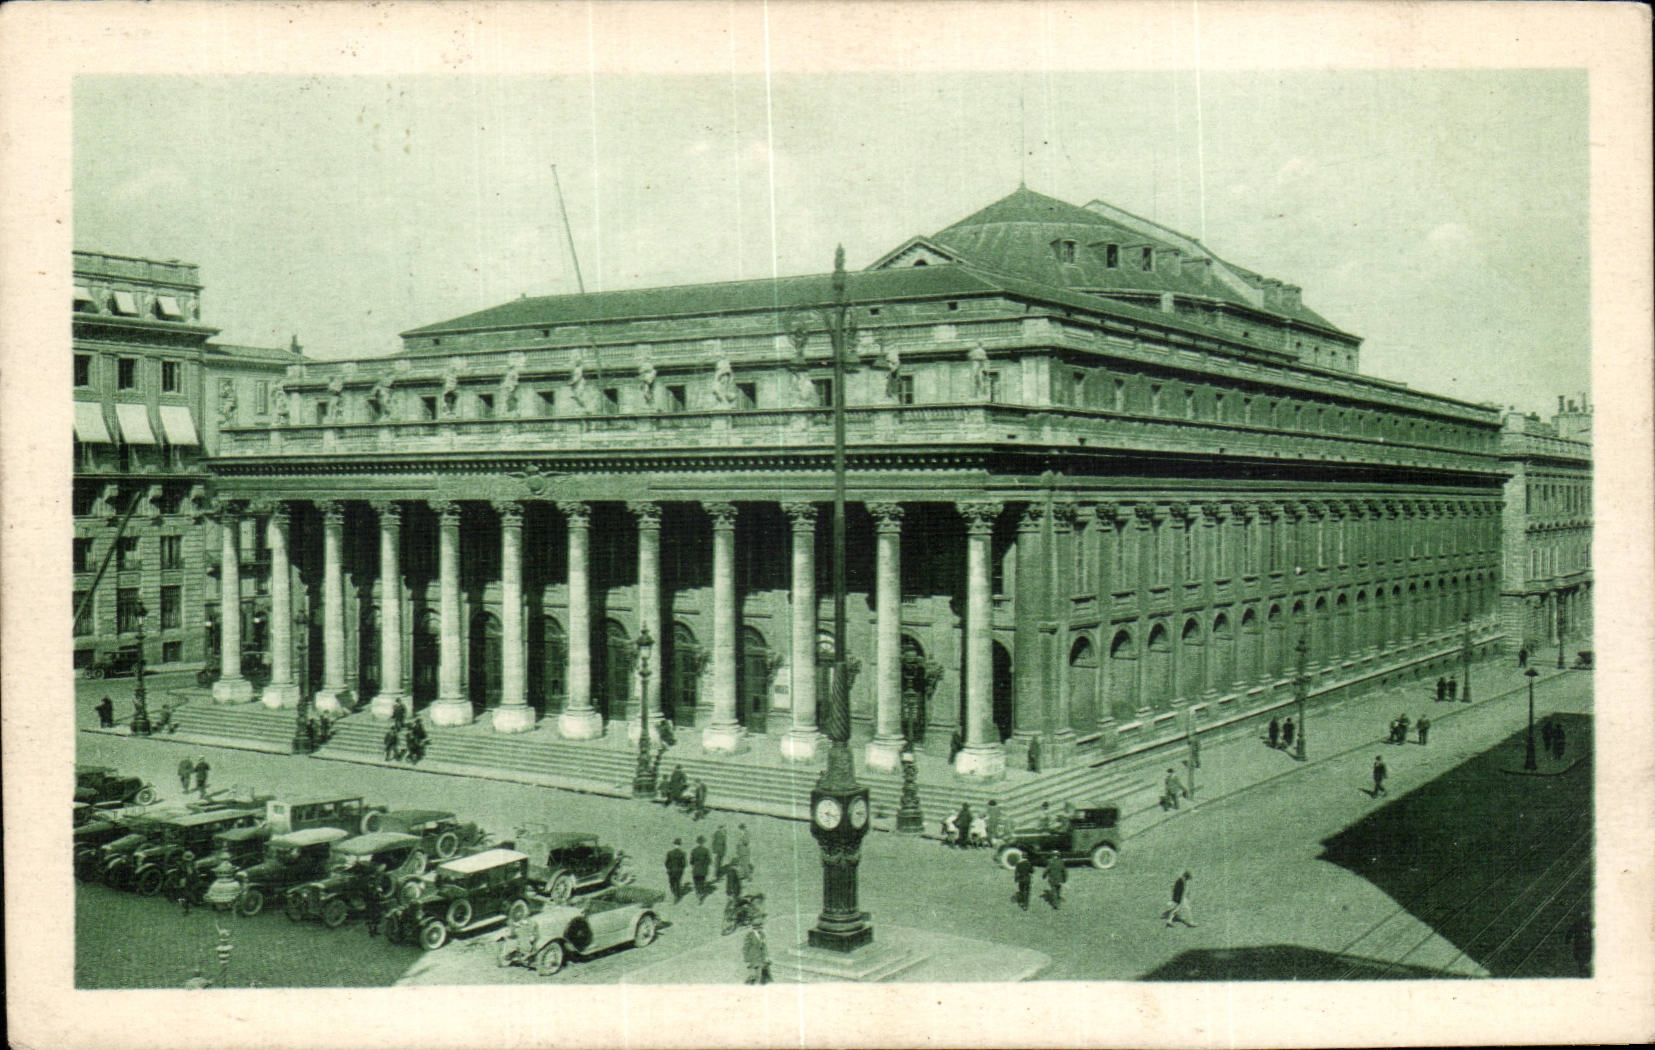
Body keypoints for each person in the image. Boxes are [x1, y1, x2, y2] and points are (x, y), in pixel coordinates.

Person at [742, 919, 773, 985]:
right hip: (754, 958)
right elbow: (745, 948)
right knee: (756, 974)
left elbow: (764, 946)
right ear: (755, 928)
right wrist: (747, 959)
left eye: (761, 928)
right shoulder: (750, 935)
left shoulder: (762, 934)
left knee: (763, 974)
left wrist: (767, 956)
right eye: (759, 928)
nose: (760, 929)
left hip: (762, 957)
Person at [689, 836, 713, 903]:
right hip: (703, 869)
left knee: (696, 882)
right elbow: (709, 861)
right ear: (703, 842)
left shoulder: (694, 850)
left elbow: (691, 861)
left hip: (696, 869)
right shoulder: (706, 850)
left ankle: (698, 893)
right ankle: (701, 894)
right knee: (702, 882)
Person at [665, 839, 688, 903]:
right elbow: (684, 864)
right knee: (678, 883)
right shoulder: (682, 853)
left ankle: (674, 892)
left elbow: (666, 863)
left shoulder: (669, 853)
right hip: (679, 871)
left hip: (671, 871)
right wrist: (681, 869)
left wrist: (668, 868)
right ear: (680, 845)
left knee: (671, 882)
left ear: (674, 844)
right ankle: (677, 896)